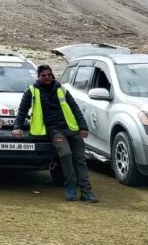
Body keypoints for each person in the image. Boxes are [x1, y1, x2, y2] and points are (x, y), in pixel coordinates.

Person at [13, 64, 98, 203]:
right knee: (65, 155)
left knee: (80, 159)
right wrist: (18, 126)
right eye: (44, 75)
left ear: (52, 75)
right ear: (38, 77)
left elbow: (75, 108)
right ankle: (70, 187)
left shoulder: (61, 89)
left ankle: (86, 191)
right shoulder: (31, 91)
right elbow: (22, 111)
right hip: (55, 131)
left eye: (49, 75)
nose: (47, 78)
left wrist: (83, 127)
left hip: (72, 129)